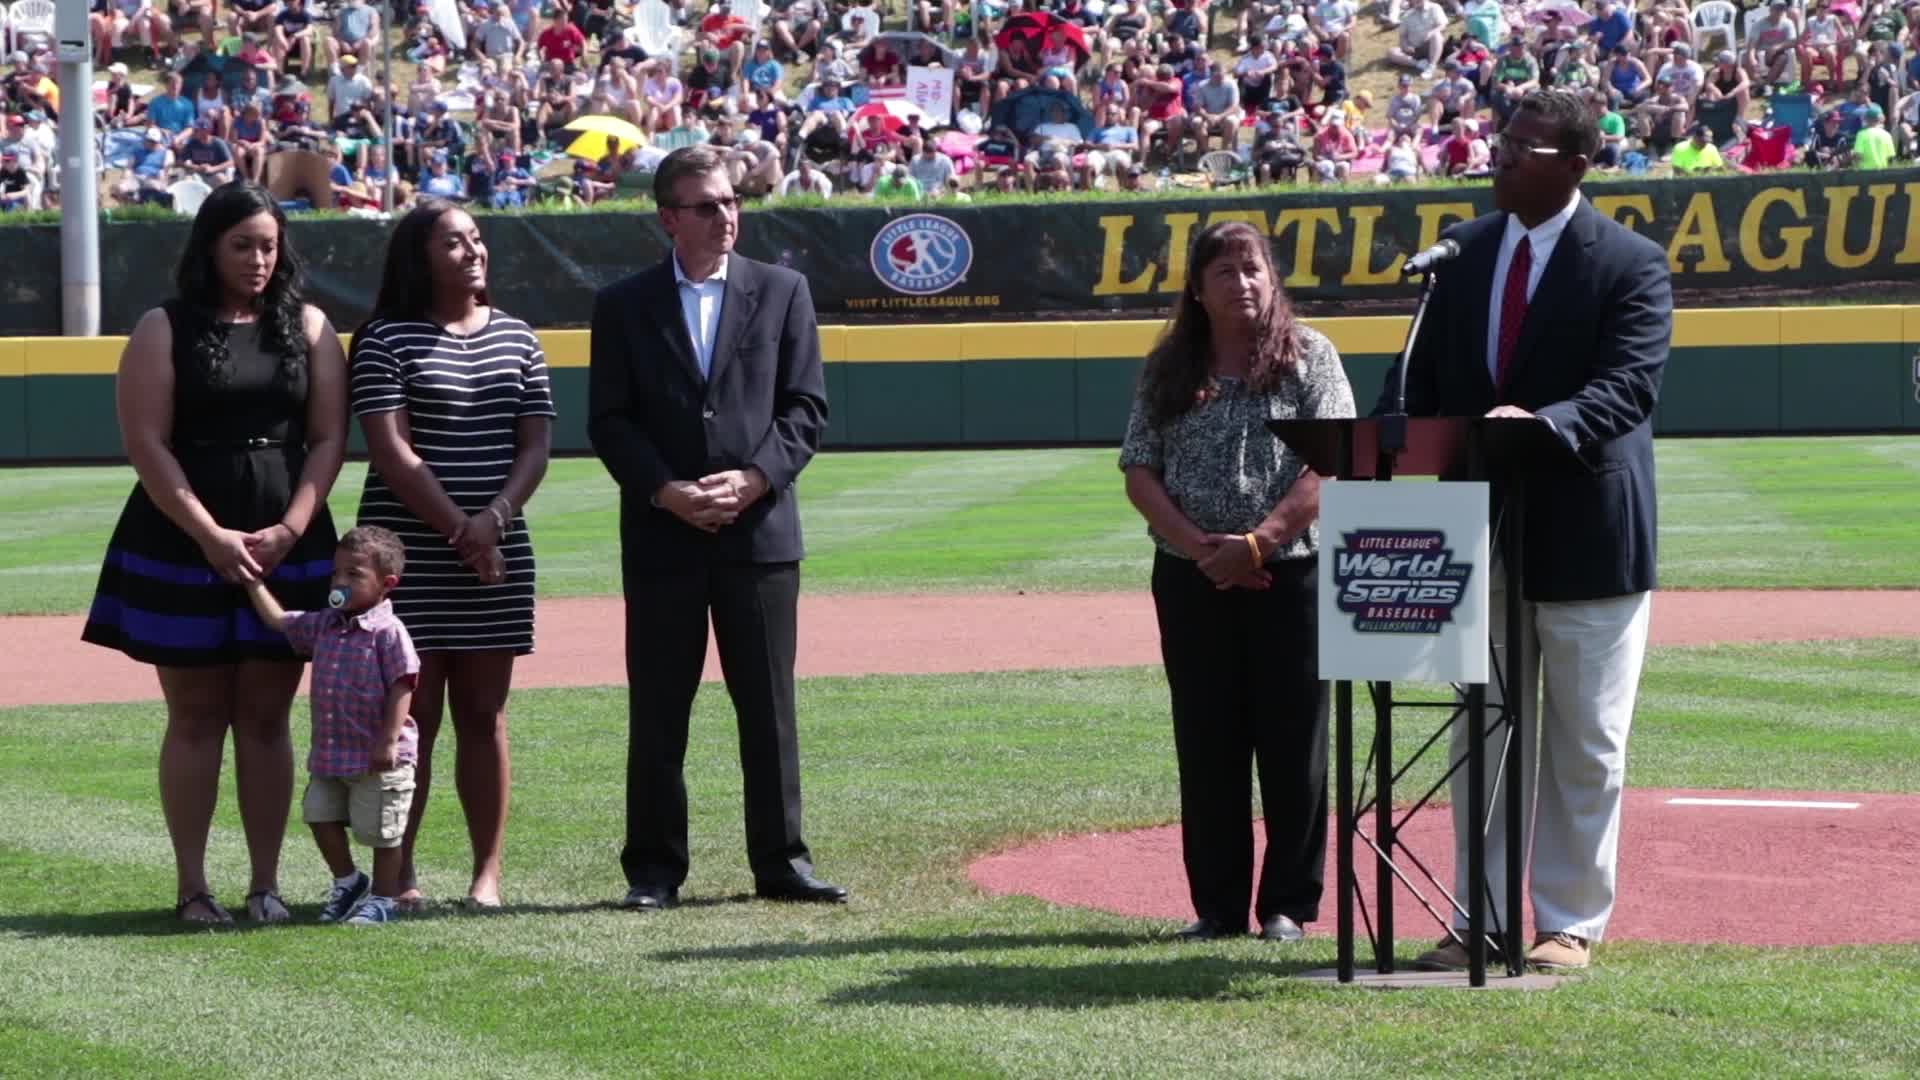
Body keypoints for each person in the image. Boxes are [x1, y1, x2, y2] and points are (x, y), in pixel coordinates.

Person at [1377, 90, 1670, 973]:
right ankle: (1485, 916)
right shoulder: (1461, 254)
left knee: (1587, 737)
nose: (1500, 158)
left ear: (1576, 164)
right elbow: (1418, 377)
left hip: (1588, 532)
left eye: (1524, 147)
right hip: (1478, 528)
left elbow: (1629, 388)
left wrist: (1541, 422)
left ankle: (1570, 923)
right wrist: (1389, 430)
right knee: (1484, 735)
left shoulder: (1630, 262)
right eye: (1502, 142)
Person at [81, 181, 348, 925]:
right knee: (195, 715)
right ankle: (193, 889)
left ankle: (266, 886)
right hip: (180, 537)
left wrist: (292, 527)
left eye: (269, 245)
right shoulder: (163, 327)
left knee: (267, 715)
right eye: (242, 245)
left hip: (285, 538)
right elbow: (147, 444)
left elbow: (328, 439)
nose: (259, 259)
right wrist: (209, 535)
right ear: (209, 248)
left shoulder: (311, 325)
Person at [587, 146, 845, 912]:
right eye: (707, 205)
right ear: (669, 218)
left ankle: (782, 863)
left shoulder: (783, 290)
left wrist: (757, 477)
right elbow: (610, 421)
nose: (726, 215)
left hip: (758, 535)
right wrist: (666, 491)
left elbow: (806, 409)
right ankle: (654, 871)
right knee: (660, 710)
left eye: (733, 201)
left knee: (767, 709)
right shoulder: (624, 304)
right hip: (665, 535)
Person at [1118, 219, 1353, 942]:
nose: (1242, 283)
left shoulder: (1310, 355)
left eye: (1252, 269)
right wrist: (1202, 549)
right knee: (1209, 742)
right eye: (1224, 272)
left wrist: (1258, 543)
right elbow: (1138, 467)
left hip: (1293, 574)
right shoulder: (1169, 366)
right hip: (1192, 581)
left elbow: (1333, 461)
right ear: (1197, 288)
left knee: (1293, 742)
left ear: (1272, 277)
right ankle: (1216, 908)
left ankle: (1287, 904)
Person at [349, 199, 555, 910]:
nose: (471, 251)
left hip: (496, 551)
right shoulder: (383, 338)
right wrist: (461, 531)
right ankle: (399, 872)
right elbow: (391, 452)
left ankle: (486, 875)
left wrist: (492, 521)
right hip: (407, 557)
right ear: (419, 258)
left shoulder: (519, 339)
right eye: (452, 243)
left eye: (476, 239)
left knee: (484, 714)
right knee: (412, 716)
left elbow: (535, 447)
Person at [243, 525, 420, 926]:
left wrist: (388, 740)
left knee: (383, 832)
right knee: (318, 816)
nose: (340, 582)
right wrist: (252, 580)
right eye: (337, 573)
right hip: (331, 752)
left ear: (386, 584)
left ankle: (384, 898)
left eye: (354, 575)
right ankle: (348, 880)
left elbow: (402, 684)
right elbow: (279, 621)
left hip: (378, 756)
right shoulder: (326, 623)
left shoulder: (388, 633)